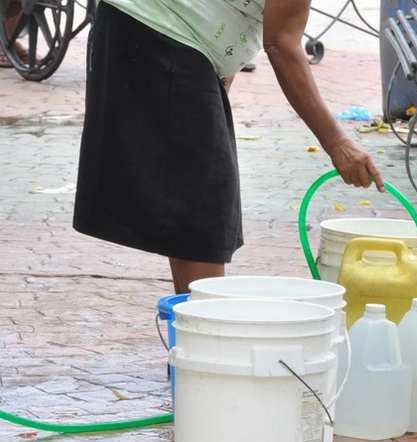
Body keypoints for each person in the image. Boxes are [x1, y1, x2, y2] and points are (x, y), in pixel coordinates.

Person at [73, 0, 384, 294]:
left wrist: (218, 76)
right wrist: (338, 143)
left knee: (196, 207)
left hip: (152, 30)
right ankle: (206, 338)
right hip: (163, 32)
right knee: (205, 215)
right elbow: (280, 43)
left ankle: (201, 332)